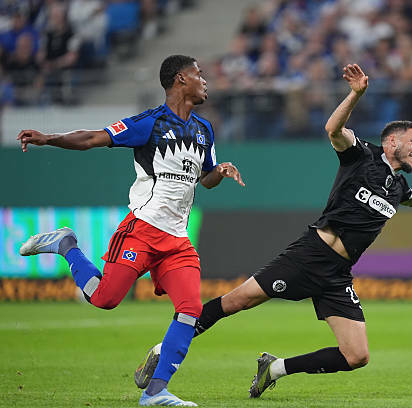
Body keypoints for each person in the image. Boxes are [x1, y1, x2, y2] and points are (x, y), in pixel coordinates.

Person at [134, 63, 412, 399]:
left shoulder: (397, 187)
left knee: (357, 355)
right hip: (309, 256)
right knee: (235, 302)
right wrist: (355, 94)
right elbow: (333, 130)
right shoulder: (362, 155)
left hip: (337, 274)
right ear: (392, 142)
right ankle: (164, 350)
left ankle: (275, 368)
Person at [17, 54, 245, 407]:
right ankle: (66, 245)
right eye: (199, 74)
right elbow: (92, 138)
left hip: (178, 241)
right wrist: (49, 138)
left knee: (190, 309)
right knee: (104, 299)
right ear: (180, 79)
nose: (205, 81)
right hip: (142, 231)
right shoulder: (149, 123)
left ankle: (155, 392)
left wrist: (220, 171)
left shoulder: (204, 130)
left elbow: (206, 179)